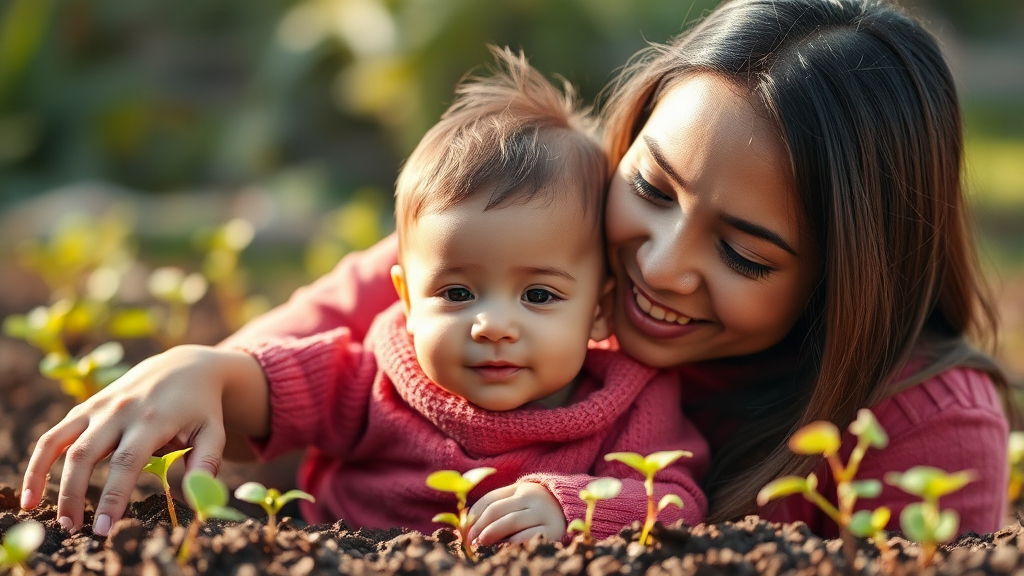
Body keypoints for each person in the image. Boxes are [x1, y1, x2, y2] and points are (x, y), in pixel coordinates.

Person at [22, 0, 1012, 540]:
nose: (659, 265)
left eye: (744, 252)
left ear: (854, 273)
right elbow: (285, 371)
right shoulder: (525, 254)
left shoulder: (926, 425)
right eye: (652, 187)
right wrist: (202, 368)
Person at [21, 48, 709, 542]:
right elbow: (273, 385)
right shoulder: (378, 379)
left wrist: (574, 508)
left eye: (538, 296)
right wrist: (205, 370)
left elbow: (677, 500)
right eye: (458, 292)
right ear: (406, 299)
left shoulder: (629, 406)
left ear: (597, 307)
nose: (493, 325)